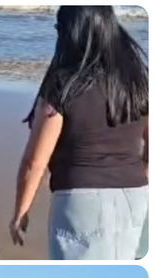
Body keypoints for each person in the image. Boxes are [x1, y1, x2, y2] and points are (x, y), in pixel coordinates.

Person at [10, 6, 148, 259]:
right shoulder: (139, 80)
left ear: (71, 33)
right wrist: (143, 174)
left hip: (81, 201)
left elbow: (35, 162)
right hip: (137, 195)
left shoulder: (63, 84)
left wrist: (21, 212)